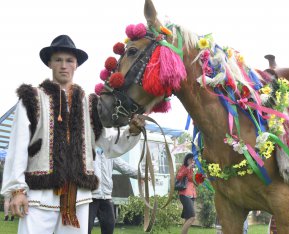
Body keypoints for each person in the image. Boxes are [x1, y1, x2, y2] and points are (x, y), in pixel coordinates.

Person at [0, 34, 144, 234]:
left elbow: (109, 144)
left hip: (78, 199)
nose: (63, 65)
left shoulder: (90, 104)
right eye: (58, 60)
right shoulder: (31, 99)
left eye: (69, 60)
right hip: (40, 197)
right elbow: (18, 147)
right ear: (49, 63)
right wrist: (17, 190)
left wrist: (133, 131)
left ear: (76, 64)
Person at [88, 146, 140, 234]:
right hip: (90, 197)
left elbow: (124, 167)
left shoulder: (110, 154)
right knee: (86, 229)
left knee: (109, 227)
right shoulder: (87, 151)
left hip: (106, 197)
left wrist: (142, 175)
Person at [176, 153, 197, 234]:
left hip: (192, 195)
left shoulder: (193, 170)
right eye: (190, 159)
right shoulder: (184, 167)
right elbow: (178, 177)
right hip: (184, 194)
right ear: (187, 160)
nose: (192, 161)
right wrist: (188, 167)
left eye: (193, 159)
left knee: (187, 218)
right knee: (192, 217)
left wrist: (201, 177)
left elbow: (195, 182)